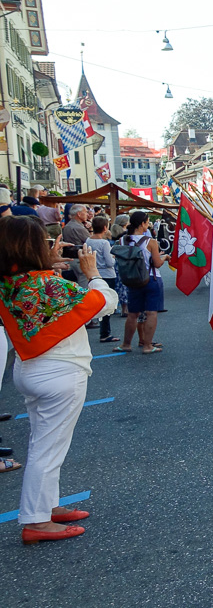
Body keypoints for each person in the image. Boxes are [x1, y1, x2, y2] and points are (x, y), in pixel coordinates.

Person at [0, 216, 118, 543]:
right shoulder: (47, 285)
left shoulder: (12, 282)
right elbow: (105, 303)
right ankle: (36, 520)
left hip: (29, 369)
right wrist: (93, 274)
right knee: (47, 449)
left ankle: (47, 506)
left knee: (43, 443)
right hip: (61, 372)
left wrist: (44, 263)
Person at [115, 211, 165, 355]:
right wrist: (165, 257)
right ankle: (147, 345)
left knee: (133, 313)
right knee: (151, 312)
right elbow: (157, 263)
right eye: (147, 222)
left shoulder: (122, 240)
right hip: (151, 279)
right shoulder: (151, 242)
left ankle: (126, 344)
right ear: (142, 224)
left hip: (132, 279)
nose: (148, 225)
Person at [84, 216, 120, 344]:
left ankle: (94, 325)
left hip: (93, 273)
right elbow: (110, 262)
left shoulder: (87, 240)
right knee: (107, 304)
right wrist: (114, 257)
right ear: (105, 228)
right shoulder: (104, 243)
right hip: (106, 274)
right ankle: (105, 333)